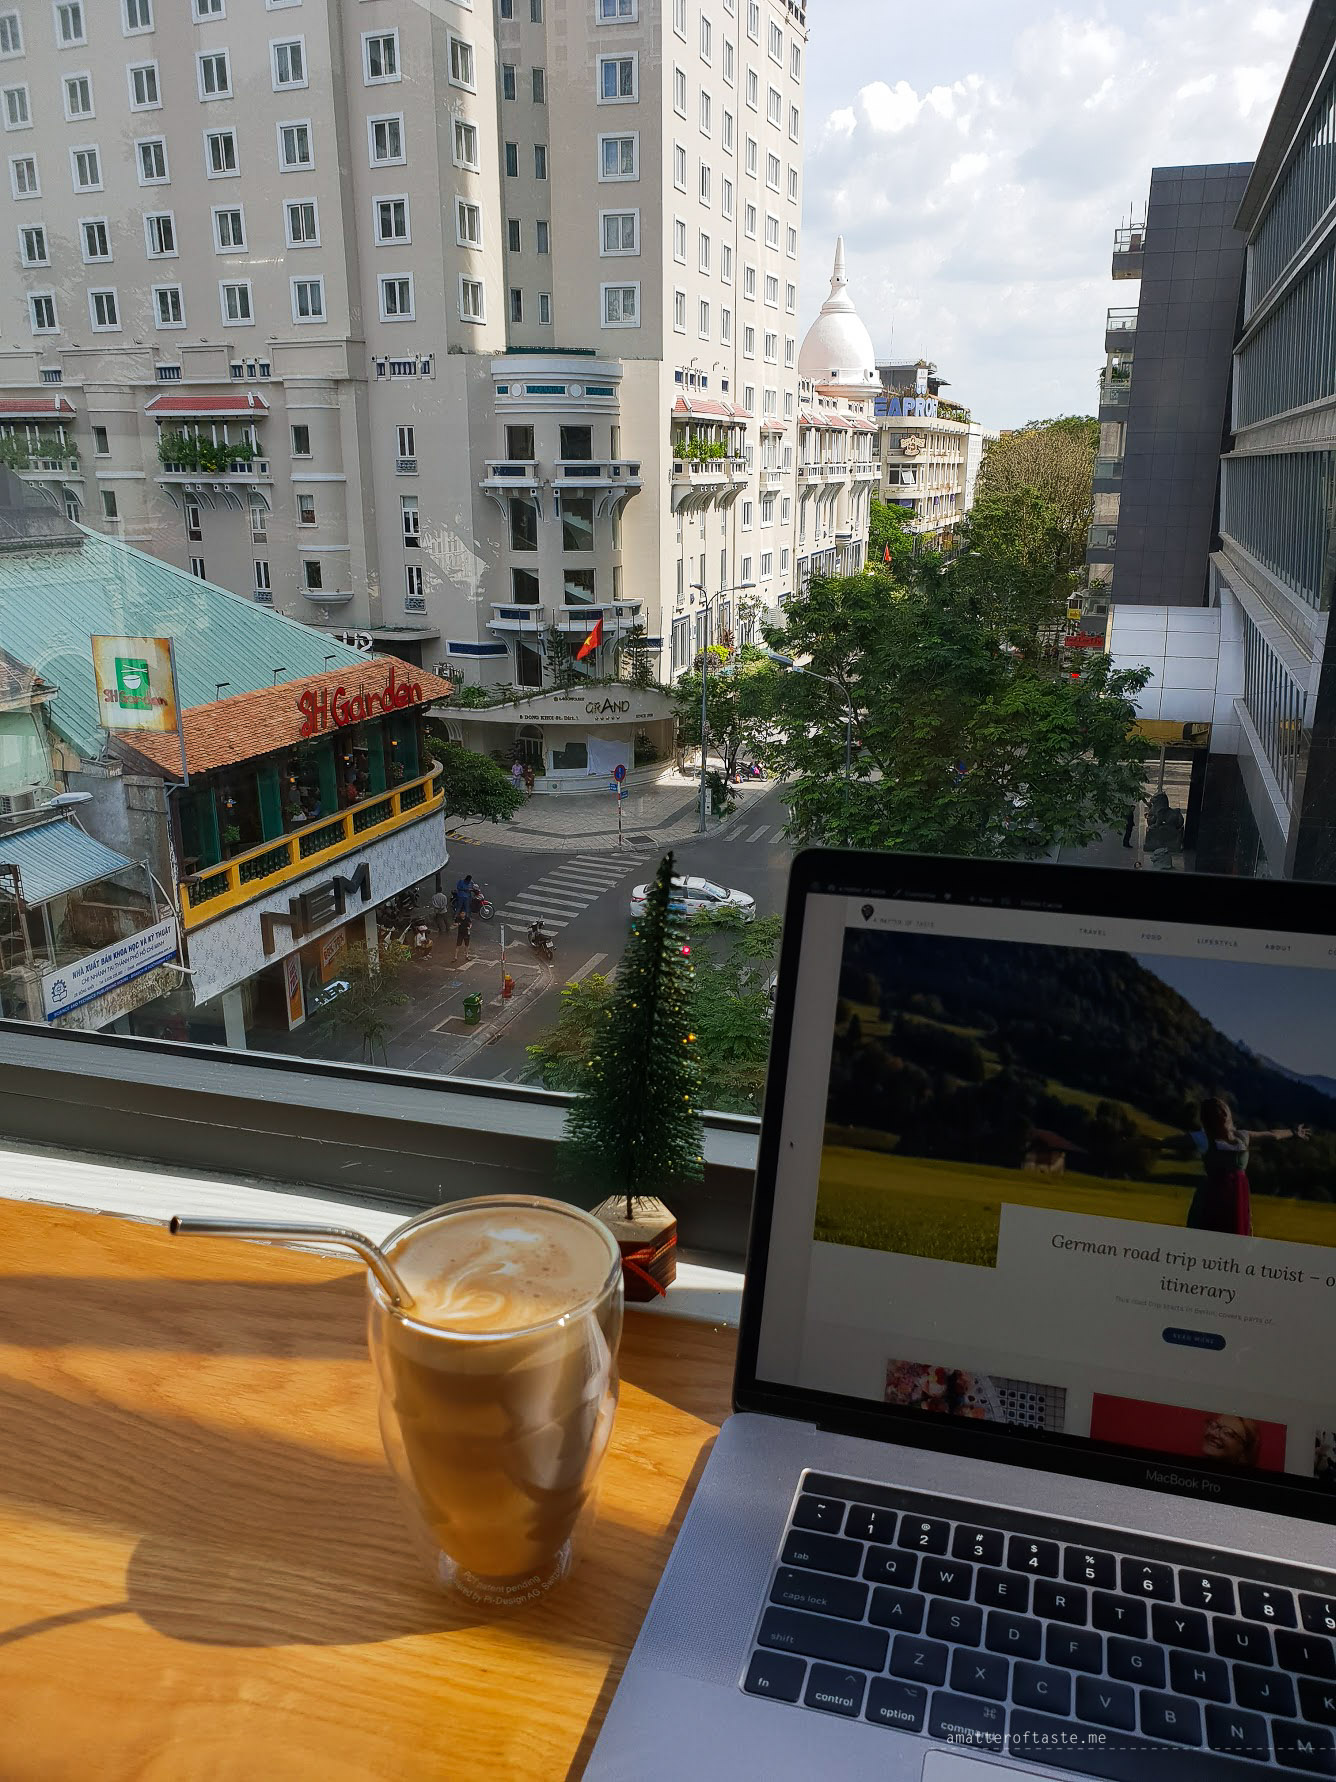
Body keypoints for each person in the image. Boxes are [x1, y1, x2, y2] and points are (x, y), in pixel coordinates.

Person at [1185, 1097, 1309, 1236]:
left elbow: (1273, 1135)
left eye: (1223, 1110)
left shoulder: (1242, 1136)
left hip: (1237, 1196)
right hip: (1212, 1196)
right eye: (1218, 1112)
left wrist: (1293, 1132)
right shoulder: (1203, 1138)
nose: (1223, 1114)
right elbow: (1168, 1142)